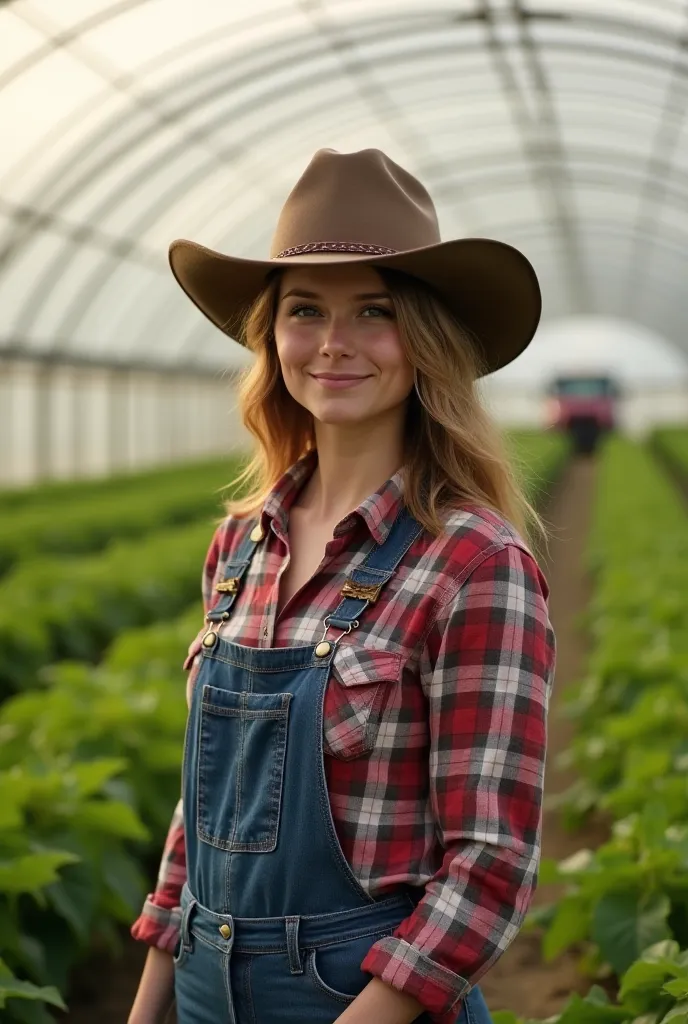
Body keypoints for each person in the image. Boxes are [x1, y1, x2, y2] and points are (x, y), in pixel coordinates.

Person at [128, 148, 556, 1024]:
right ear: (271, 337)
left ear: (426, 341)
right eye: (304, 311)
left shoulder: (474, 563)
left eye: (375, 311)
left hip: (361, 996)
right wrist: (151, 1003)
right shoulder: (238, 549)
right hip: (204, 983)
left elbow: (491, 862)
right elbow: (204, 807)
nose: (333, 344)